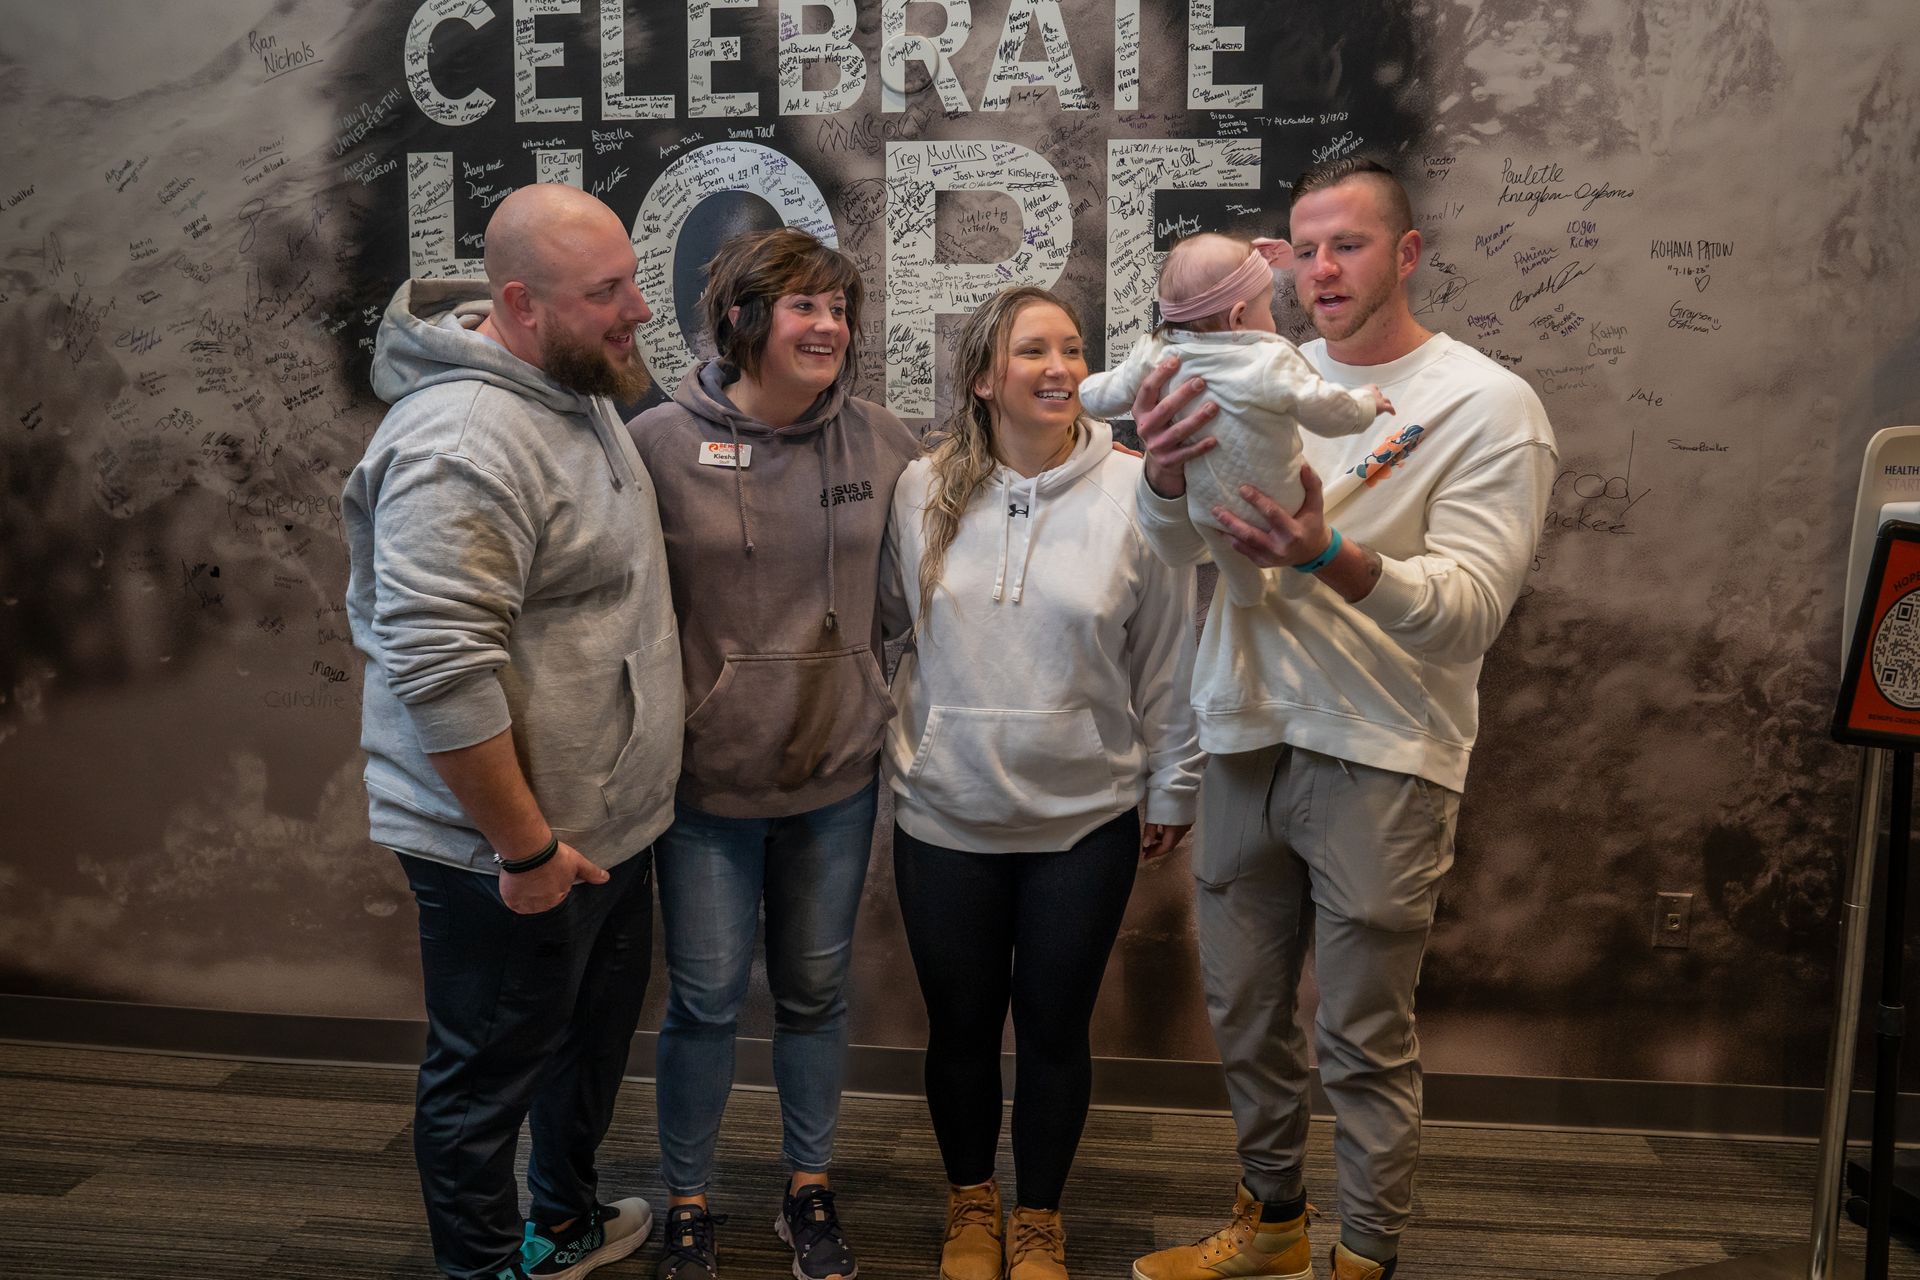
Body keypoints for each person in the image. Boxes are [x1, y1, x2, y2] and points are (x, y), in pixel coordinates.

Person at [1126, 158, 1558, 1280]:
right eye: (1304, 246)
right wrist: (1166, 481)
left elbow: (1464, 615)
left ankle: (1364, 1255)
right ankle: (1271, 1224)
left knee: (1363, 1039)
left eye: (1349, 245)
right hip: (1241, 733)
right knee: (1244, 1015)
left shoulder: (1487, 404)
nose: (1321, 268)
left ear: (1406, 254)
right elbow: (1183, 556)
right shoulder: (1253, 365)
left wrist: (1326, 553)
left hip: (1382, 750)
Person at [343, 183, 681, 1280]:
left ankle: (566, 1223)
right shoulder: (462, 442)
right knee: (483, 1077)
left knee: (578, 1046)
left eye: (632, 277)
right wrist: (527, 851)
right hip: (510, 847)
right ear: (521, 303)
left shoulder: (569, 381)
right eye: (608, 292)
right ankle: (484, 1266)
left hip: (605, 826)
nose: (639, 309)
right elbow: (441, 673)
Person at [881, 286, 1205, 1280]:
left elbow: (1168, 652)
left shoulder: (1138, 489)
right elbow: (905, 637)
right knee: (964, 1028)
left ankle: (1039, 1219)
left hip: (1084, 818)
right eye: (1033, 351)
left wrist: (1172, 782)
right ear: (983, 377)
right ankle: (972, 1204)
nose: (1061, 366)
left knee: (1057, 1029)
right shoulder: (919, 488)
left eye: (1072, 348)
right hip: (946, 810)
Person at [626, 227, 918, 1280]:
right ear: (745, 317)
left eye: (840, 307)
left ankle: (808, 1185)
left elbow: (961, 522)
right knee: (703, 997)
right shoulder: (658, 443)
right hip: (708, 780)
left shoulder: (881, 441)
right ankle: (690, 1200)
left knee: (813, 990)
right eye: (805, 305)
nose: (830, 325)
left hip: (836, 772)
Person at [1078, 231, 1392, 609]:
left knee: (1224, 545)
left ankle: (1246, 594)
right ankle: (1298, 583)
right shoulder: (1270, 359)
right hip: (1282, 500)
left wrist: (1083, 389)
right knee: (1294, 547)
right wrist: (1365, 405)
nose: (1273, 322)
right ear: (1240, 316)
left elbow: (1105, 395)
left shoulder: (1156, 352)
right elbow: (1328, 412)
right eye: (1269, 310)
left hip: (1208, 510)